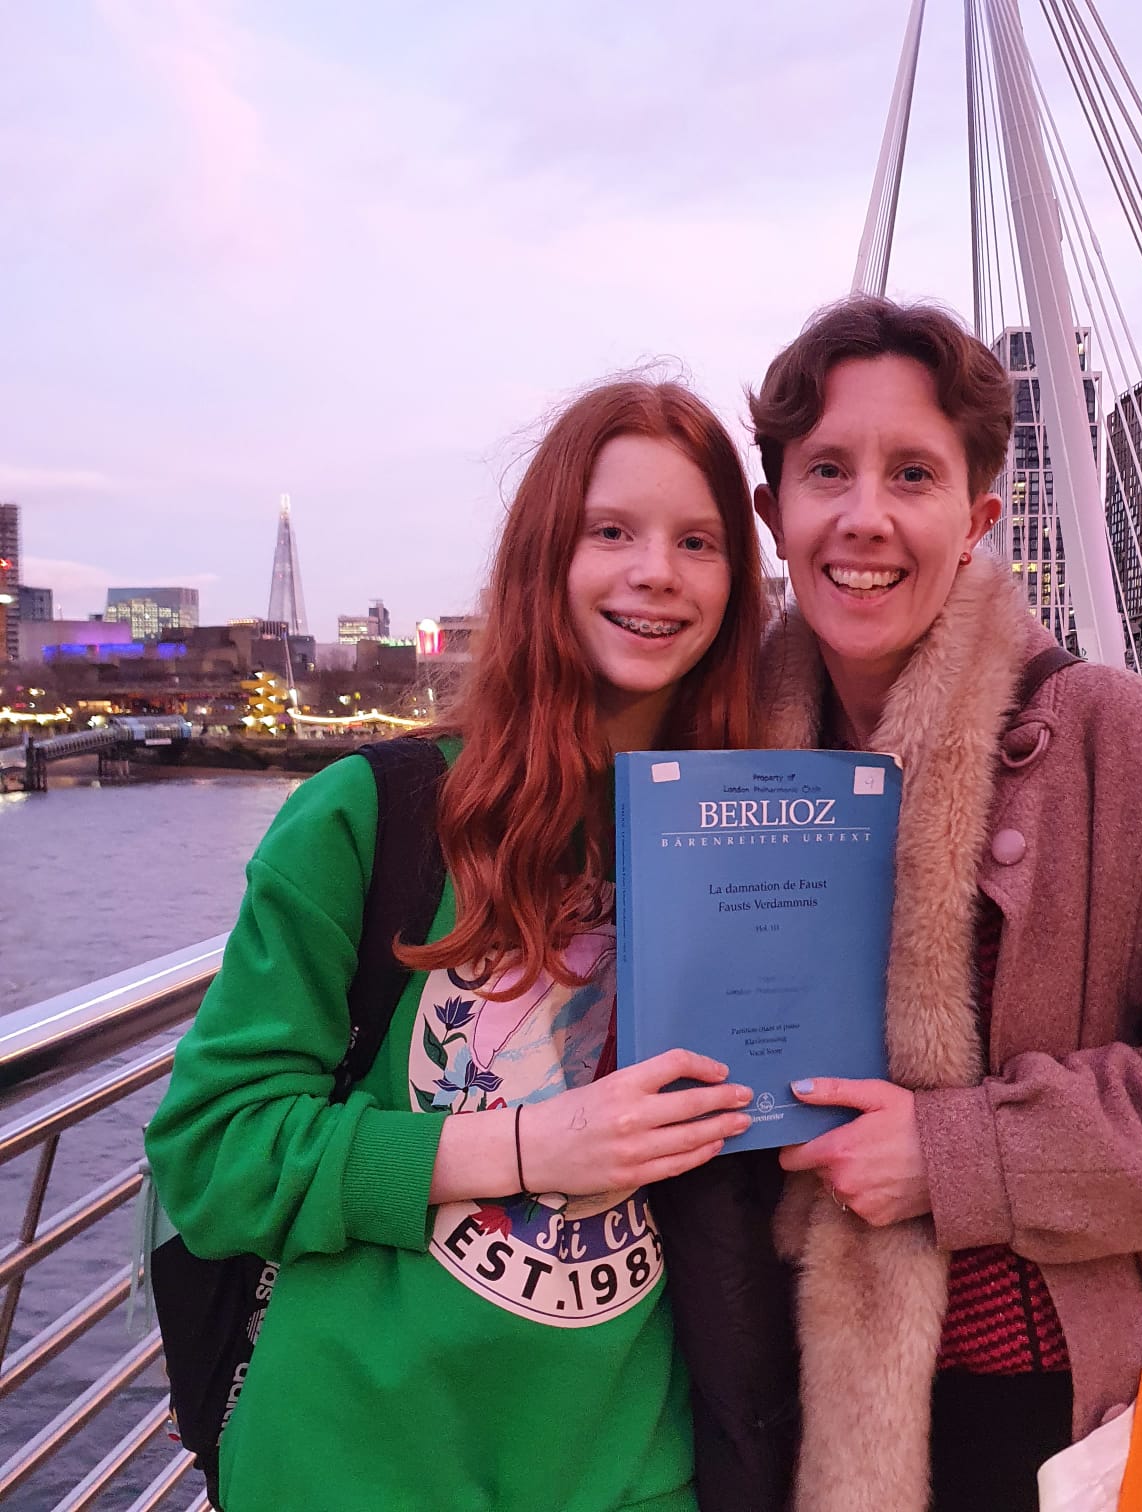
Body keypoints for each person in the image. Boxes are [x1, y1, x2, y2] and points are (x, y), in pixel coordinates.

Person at [144, 381, 771, 1512]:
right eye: (611, 532)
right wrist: (528, 1150)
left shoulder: (756, 834)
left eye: (700, 542)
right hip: (356, 1462)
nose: (657, 573)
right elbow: (214, 1152)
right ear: (545, 557)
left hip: (632, 1467)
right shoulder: (369, 816)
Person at [746, 296, 1142, 1512]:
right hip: (772, 1389)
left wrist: (956, 1153)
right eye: (827, 472)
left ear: (978, 519)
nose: (865, 518)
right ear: (774, 513)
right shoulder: (718, 762)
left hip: (1068, 1414)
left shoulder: (1129, 747)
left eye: (913, 474)